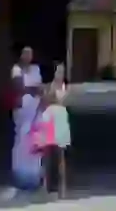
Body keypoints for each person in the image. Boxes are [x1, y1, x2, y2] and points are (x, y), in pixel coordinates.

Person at [32, 62, 71, 198]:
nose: (60, 74)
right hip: (48, 119)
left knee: (61, 156)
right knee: (47, 155)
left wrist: (51, 97)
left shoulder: (64, 87)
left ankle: (62, 188)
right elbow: (44, 102)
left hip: (60, 119)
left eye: (62, 71)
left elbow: (63, 101)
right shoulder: (48, 86)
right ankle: (45, 186)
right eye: (58, 71)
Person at [10, 46, 44, 190]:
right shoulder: (16, 69)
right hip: (23, 110)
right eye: (25, 53)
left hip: (35, 109)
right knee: (21, 141)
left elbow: (40, 88)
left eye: (30, 53)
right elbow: (18, 87)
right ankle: (19, 177)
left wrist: (33, 89)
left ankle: (34, 177)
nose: (28, 56)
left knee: (34, 141)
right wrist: (33, 89)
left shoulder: (35, 69)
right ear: (21, 55)